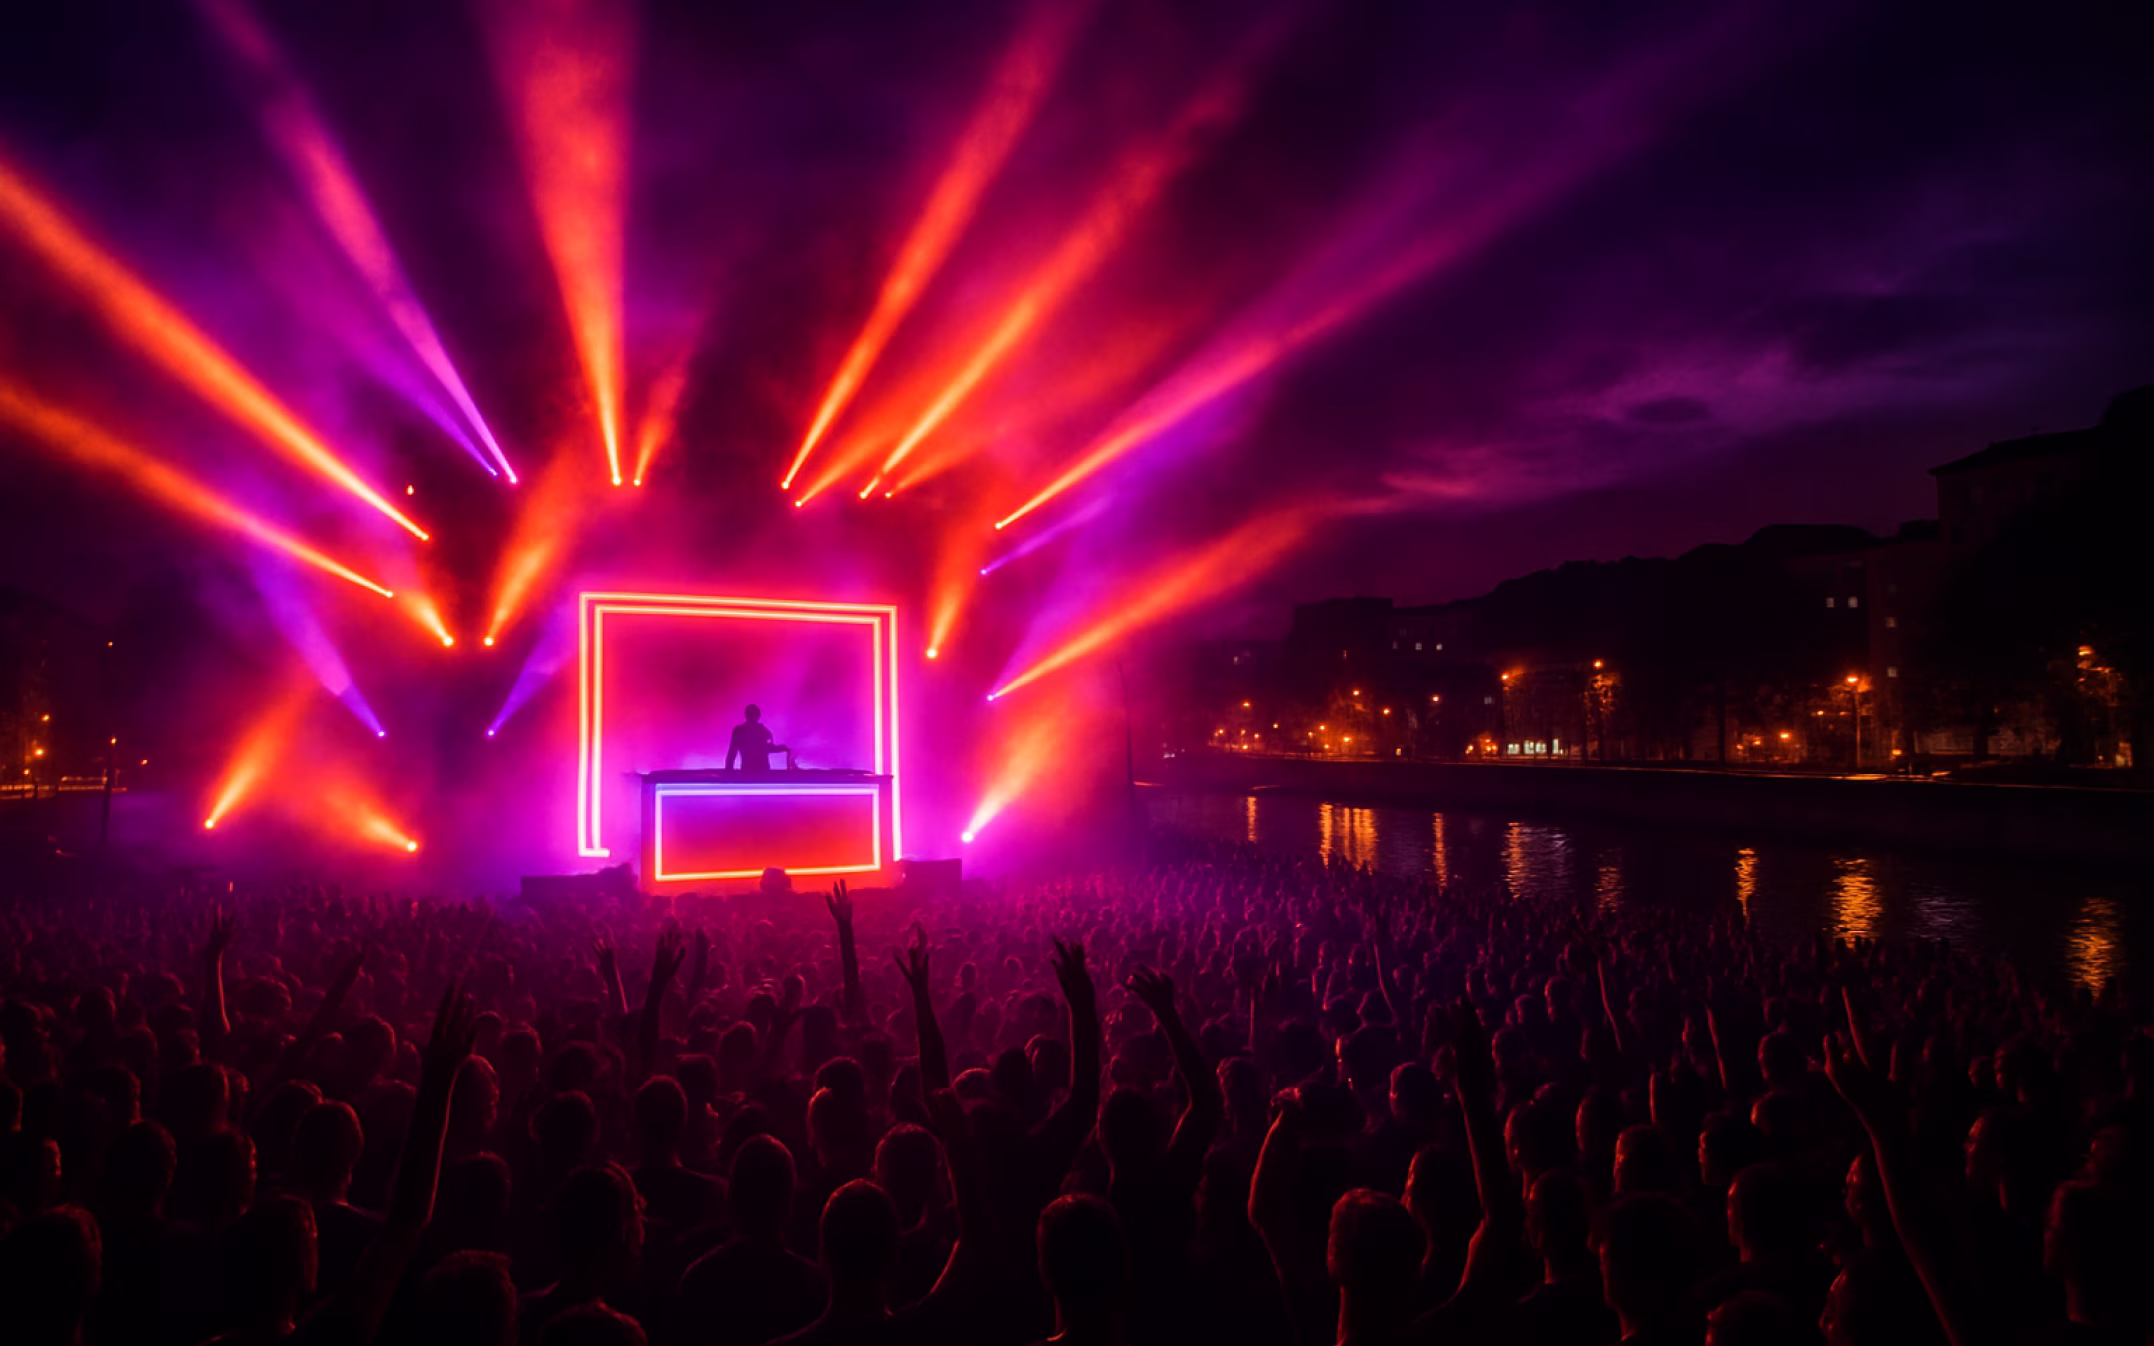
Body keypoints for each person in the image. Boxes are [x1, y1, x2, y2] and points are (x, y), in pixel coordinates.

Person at [726, 706, 788, 774]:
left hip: (750, 771)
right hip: (761, 772)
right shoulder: (764, 731)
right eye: (750, 714)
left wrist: (729, 771)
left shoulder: (739, 731)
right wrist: (782, 748)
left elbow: (732, 752)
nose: (751, 717)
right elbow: (769, 748)